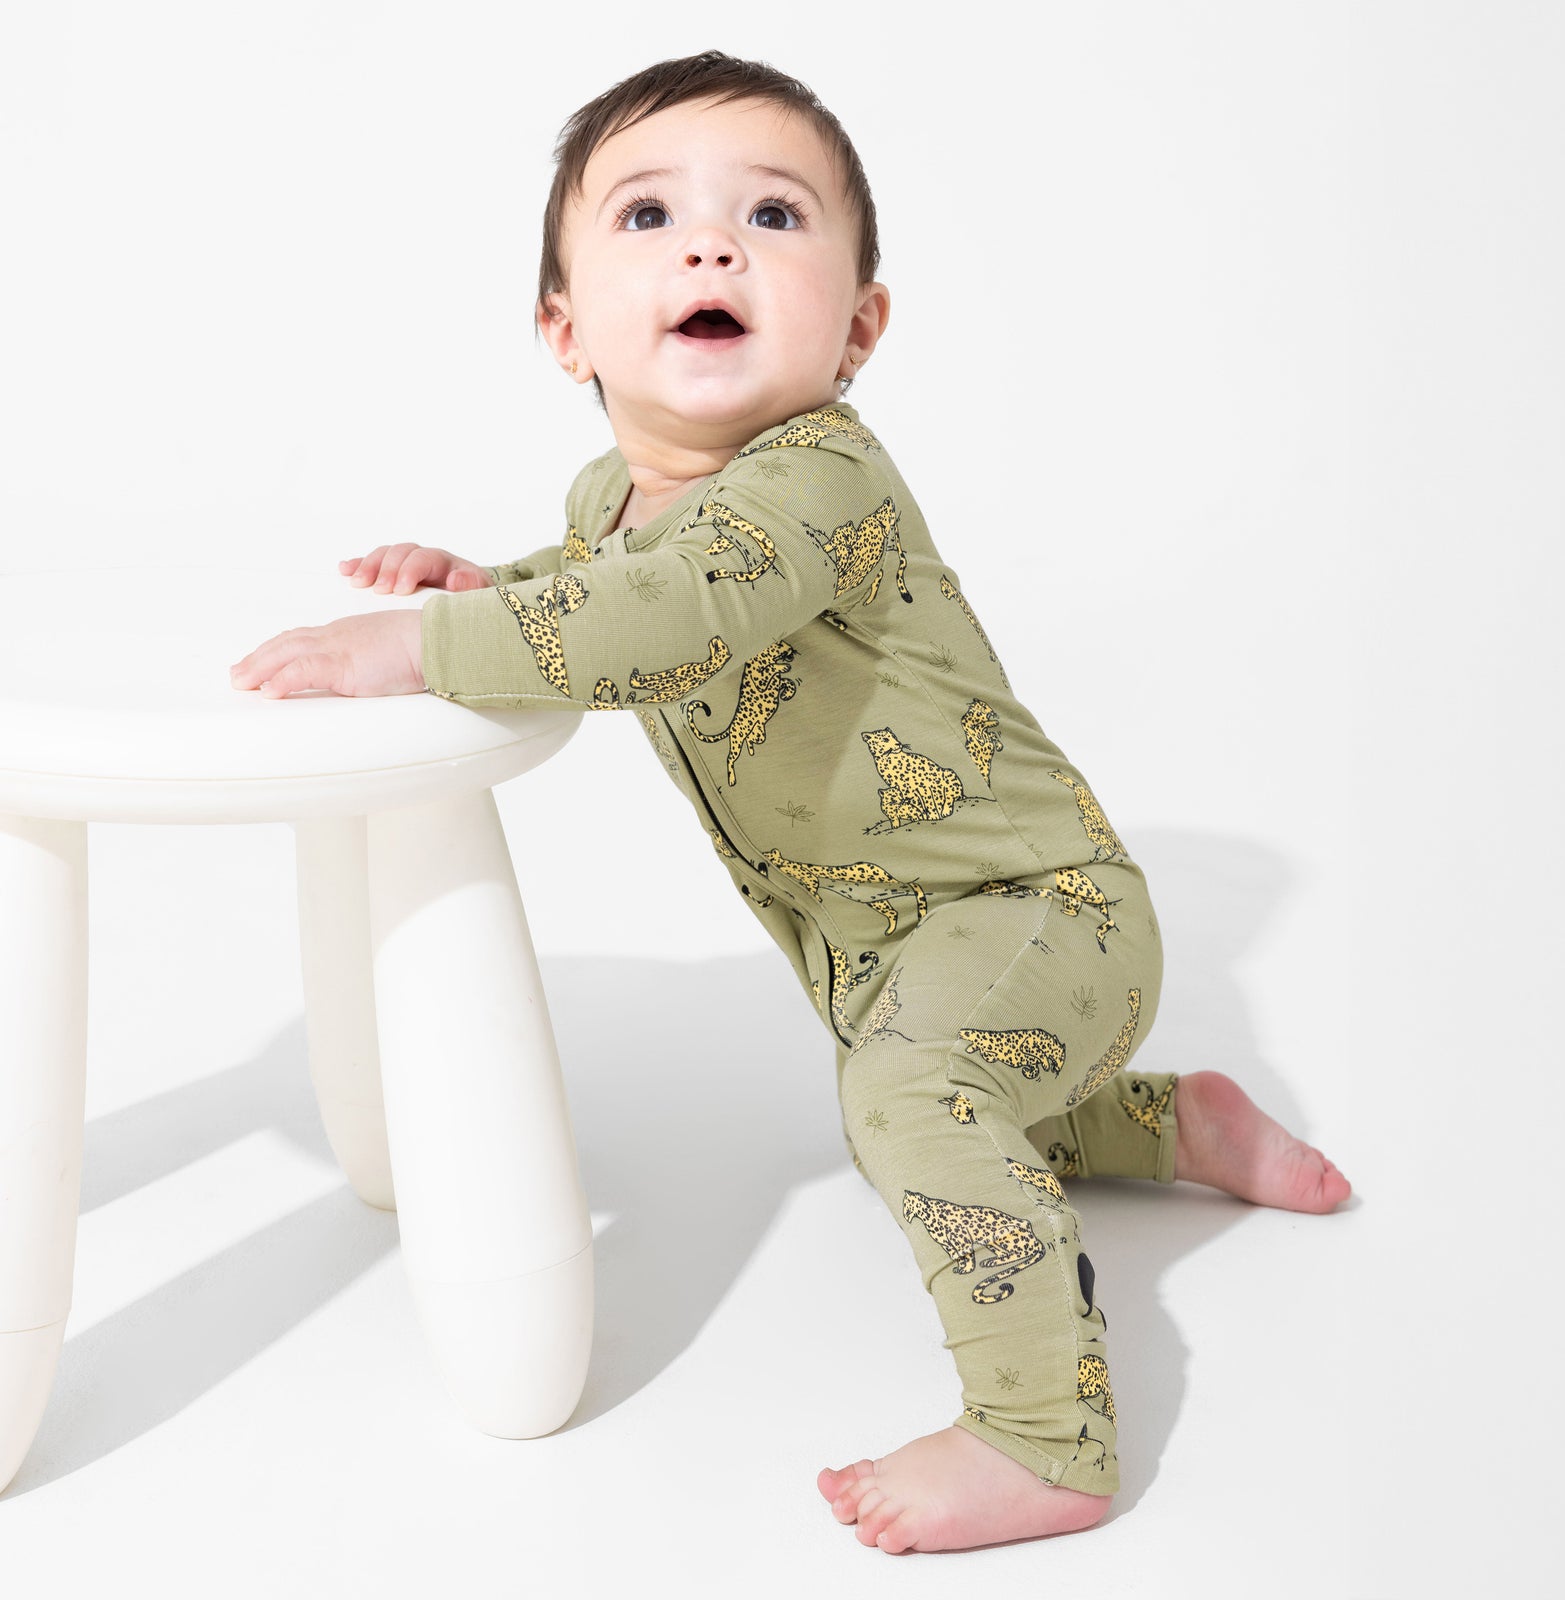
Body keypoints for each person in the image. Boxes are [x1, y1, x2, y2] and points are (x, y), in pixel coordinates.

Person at [229, 48, 1351, 1555]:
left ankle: (1046, 1435)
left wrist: (419, 646)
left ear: (860, 326)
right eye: (648, 217)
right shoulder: (606, 505)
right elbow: (605, 587)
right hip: (893, 937)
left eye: (771, 215)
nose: (711, 246)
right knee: (944, 1088)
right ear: (565, 329)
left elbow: (670, 614)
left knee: (913, 1099)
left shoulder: (815, 479)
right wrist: (492, 587)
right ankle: (1171, 1127)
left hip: (1038, 907)